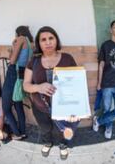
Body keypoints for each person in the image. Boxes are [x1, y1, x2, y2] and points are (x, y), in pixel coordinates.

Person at [23, 26, 80, 160]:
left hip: (64, 107)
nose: (48, 42)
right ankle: (47, 143)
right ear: (39, 43)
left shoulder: (67, 58)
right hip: (40, 107)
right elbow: (26, 85)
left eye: (51, 38)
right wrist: (38, 87)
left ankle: (63, 145)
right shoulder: (34, 61)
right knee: (45, 128)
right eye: (43, 39)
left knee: (64, 129)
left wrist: (76, 108)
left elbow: (76, 83)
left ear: (56, 40)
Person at [92, 20, 115, 139]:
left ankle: (98, 120)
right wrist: (99, 83)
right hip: (107, 83)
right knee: (107, 109)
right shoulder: (105, 45)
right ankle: (108, 126)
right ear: (111, 29)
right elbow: (101, 65)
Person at [2, 26, 33, 140]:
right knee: (18, 104)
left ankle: (17, 133)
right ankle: (23, 132)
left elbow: (12, 60)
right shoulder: (30, 43)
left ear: (18, 32)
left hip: (13, 73)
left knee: (6, 108)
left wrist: (12, 46)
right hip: (21, 74)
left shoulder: (21, 39)